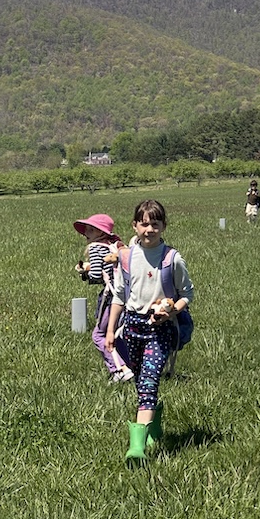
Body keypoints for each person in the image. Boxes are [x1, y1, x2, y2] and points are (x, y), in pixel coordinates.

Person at [107, 199, 194, 465]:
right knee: (140, 380)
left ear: (163, 226)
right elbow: (119, 296)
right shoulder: (126, 257)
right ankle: (154, 424)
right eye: (144, 224)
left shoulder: (172, 259)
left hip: (160, 328)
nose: (149, 229)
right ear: (134, 226)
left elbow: (187, 294)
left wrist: (172, 311)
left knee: (149, 381)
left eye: (155, 224)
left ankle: (137, 448)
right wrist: (111, 330)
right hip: (132, 327)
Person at [73, 213, 133, 383]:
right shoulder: (115, 244)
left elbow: (97, 275)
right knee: (116, 333)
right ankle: (130, 365)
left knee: (100, 335)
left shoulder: (96, 247)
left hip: (111, 295)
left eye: (91, 230)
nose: (86, 233)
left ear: (100, 232)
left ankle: (119, 370)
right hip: (127, 293)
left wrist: (85, 273)